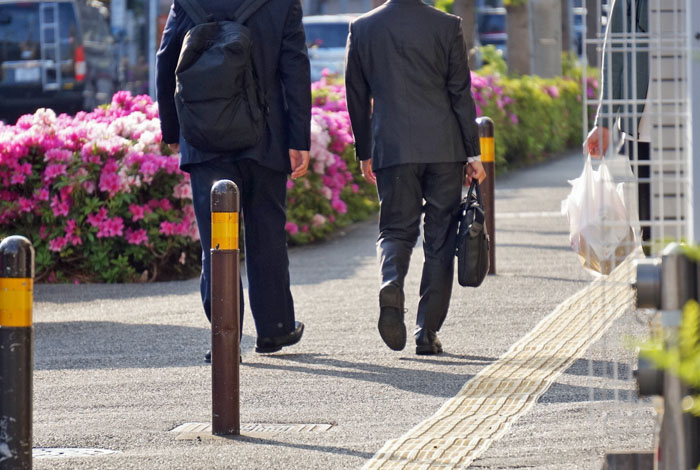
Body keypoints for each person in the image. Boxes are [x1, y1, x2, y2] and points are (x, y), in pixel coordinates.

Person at [156, 0, 311, 361]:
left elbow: (167, 60)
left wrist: (172, 129)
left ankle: (224, 337)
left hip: (204, 137)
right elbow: (294, 67)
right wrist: (298, 139)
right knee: (267, 234)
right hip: (266, 134)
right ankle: (274, 330)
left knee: (216, 243)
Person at [345, 0, 486, 355]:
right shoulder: (447, 25)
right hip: (444, 147)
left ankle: (391, 282)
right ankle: (427, 332)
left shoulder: (362, 28)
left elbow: (356, 97)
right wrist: (472, 153)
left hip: (392, 147)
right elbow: (459, 92)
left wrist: (365, 151)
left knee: (395, 229)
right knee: (439, 238)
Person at [584, 0, 650, 243]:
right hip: (644, 126)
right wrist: (604, 122)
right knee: (651, 213)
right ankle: (656, 271)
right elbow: (615, 58)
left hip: (689, 117)